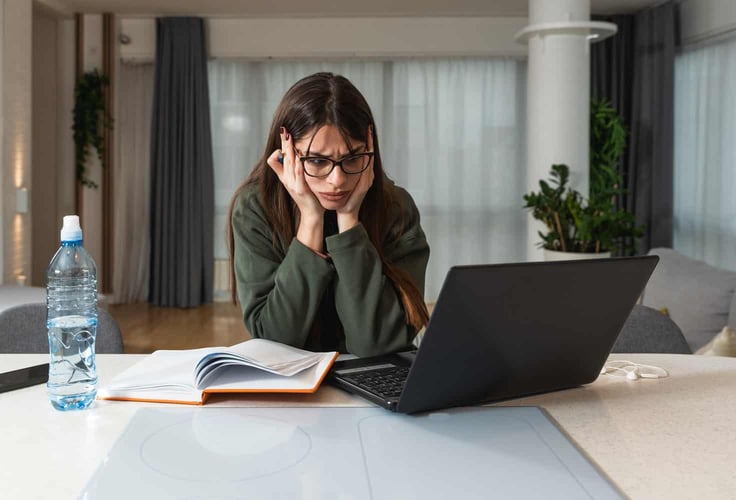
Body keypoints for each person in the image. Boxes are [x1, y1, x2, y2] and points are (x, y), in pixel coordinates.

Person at [228, 72, 429, 357]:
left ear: (370, 149)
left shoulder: (397, 208)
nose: (337, 180)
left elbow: (379, 344)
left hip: (381, 389)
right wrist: (311, 220)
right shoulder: (255, 208)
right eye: (318, 161)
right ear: (287, 153)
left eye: (353, 158)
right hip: (293, 390)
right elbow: (275, 342)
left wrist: (349, 221)